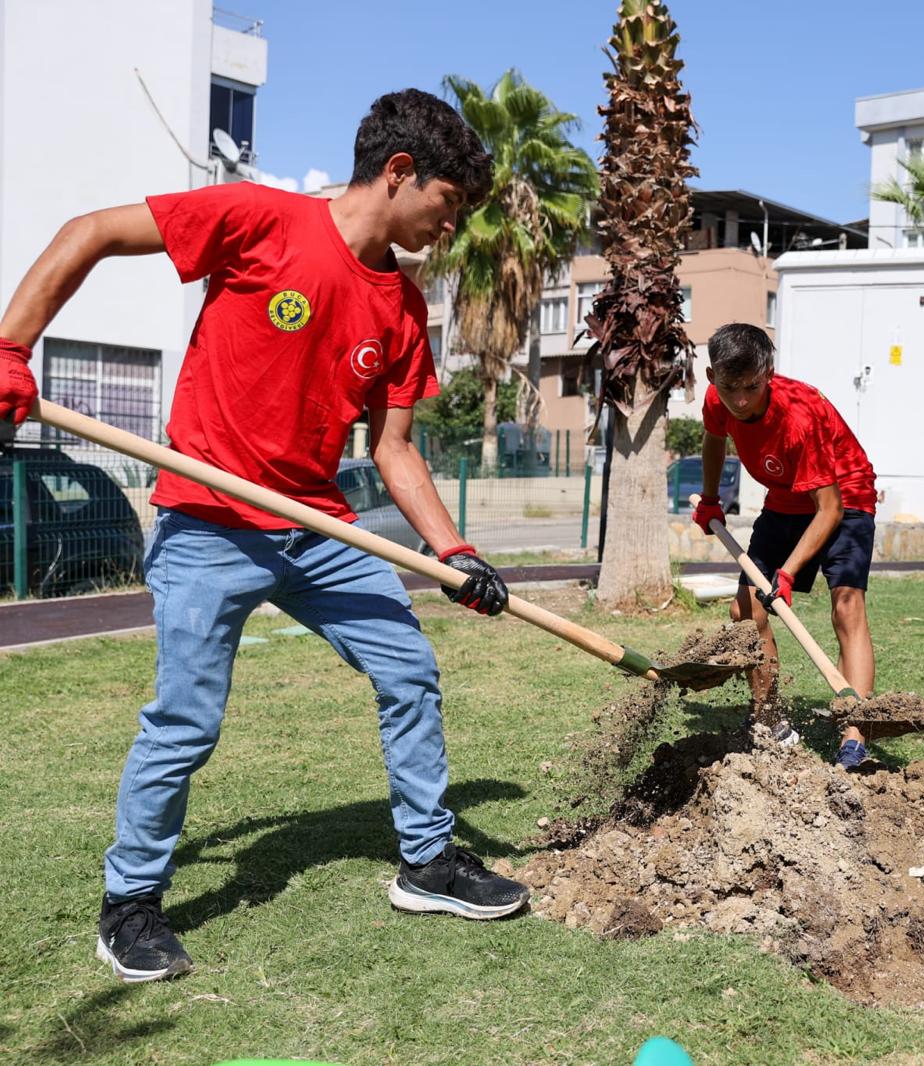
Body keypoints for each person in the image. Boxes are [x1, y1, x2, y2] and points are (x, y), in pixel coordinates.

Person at [0, 90, 531, 983]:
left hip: (318, 526)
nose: (451, 228)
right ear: (400, 174)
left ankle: (429, 863)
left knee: (408, 669)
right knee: (186, 722)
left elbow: (393, 449)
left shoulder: (402, 309)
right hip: (207, 522)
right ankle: (129, 905)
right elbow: (88, 230)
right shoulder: (258, 220)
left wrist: (454, 552)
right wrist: (12, 350)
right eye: (448, 205)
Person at [692, 323, 878, 770]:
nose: (740, 400)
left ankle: (854, 733)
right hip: (784, 500)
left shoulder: (799, 416)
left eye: (751, 388)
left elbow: (829, 508)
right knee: (745, 610)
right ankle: (771, 720)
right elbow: (715, 440)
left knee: (847, 606)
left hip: (845, 496)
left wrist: (789, 572)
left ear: (769, 373)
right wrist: (711, 496)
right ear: (711, 375)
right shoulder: (719, 400)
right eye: (729, 387)